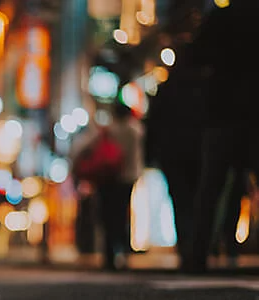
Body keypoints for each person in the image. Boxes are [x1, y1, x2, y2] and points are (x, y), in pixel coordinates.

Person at [182, 0, 259, 273]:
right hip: (253, 112)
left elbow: (194, 56)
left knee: (211, 186)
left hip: (222, 112)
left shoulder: (221, 18)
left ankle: (198, 254)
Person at [144, 42, 206, 262]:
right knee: (198, 197)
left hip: (172, 153)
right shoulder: (202, 87)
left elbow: (153, 124)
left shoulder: (167, 89)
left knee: (180, 200)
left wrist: (150, 153)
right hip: (198, 150)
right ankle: (200, 246)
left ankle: (187, 246)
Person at [73, 101, 144, 271]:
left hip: (108, 176)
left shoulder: (110, 130)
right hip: (128, 176)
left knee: (107, 216)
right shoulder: (136, 130)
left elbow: (85, 147)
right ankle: (124, 253)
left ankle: (109, 254)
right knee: (122, 215)